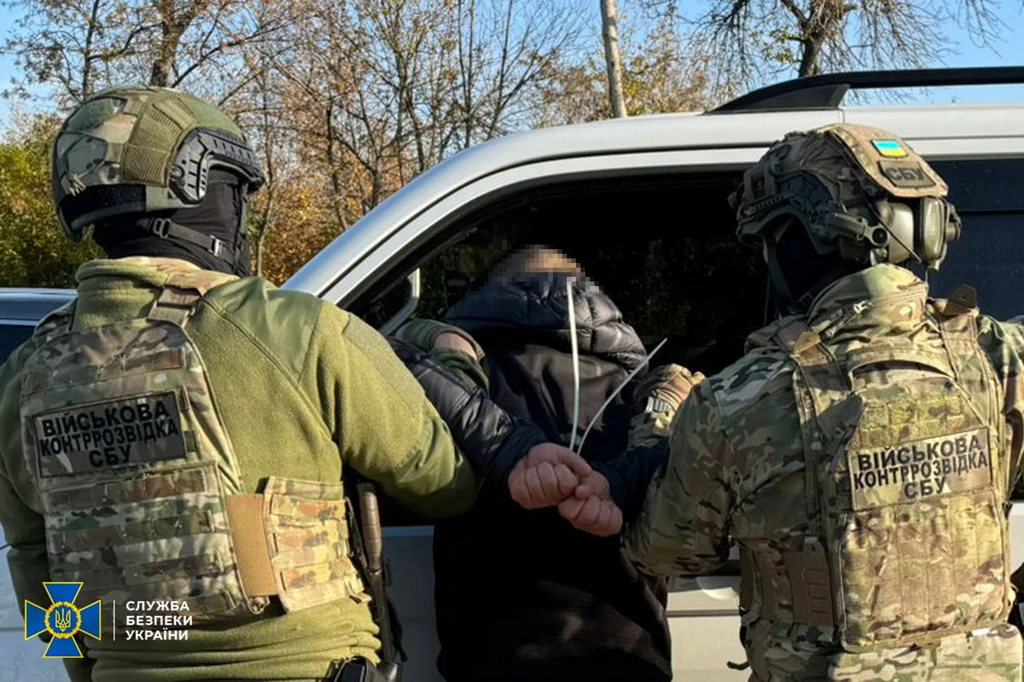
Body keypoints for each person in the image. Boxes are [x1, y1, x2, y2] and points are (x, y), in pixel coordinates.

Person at [0, 85, 586, 682]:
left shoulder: (21, 376)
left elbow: (35, 562)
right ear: (205, 190)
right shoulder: (298, 331)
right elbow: (444, 485)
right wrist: (455, 362)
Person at [514, 123, 1024, 681]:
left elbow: (666, 550)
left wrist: (661, 420)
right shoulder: (1001, 358)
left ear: (801, 237)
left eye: (769, 240)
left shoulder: (738, 400)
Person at [392, 244, 673, 682]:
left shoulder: (455, 377)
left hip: (493, 662)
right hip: (629, 661)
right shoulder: (650, 393)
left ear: (493, 292)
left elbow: (360, 363)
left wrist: (435, 336)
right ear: (593, 296)